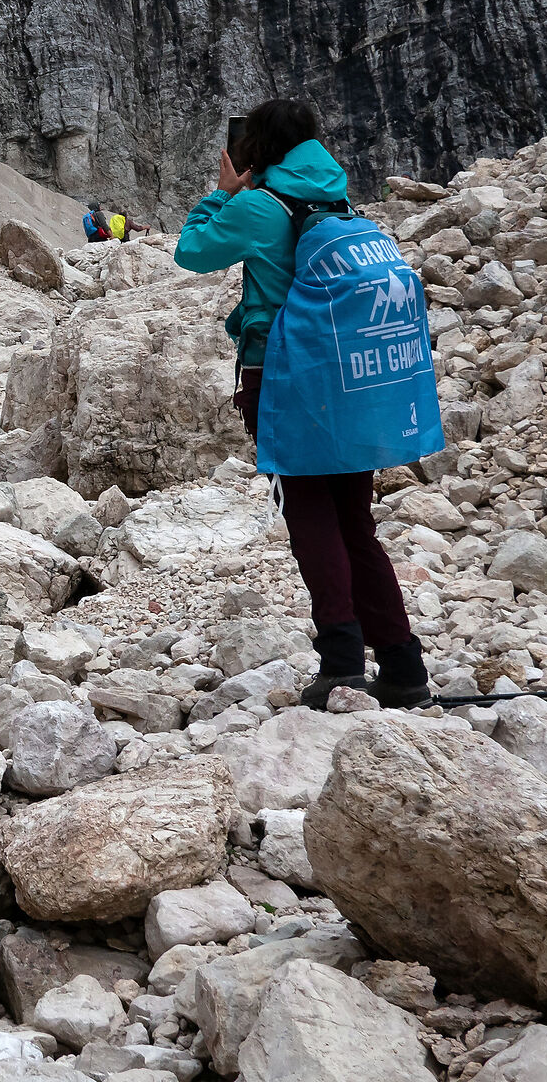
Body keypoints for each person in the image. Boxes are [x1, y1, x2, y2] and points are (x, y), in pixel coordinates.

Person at [175, 97, 430, 709]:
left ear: (258, 146)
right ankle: (402, 666)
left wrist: (222, 194)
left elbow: (192, 251)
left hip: (284, 378)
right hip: (347, 378)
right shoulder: (337, 202)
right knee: (355, 522)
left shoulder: (260, 206)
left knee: (310, 517)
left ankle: (341, 666)